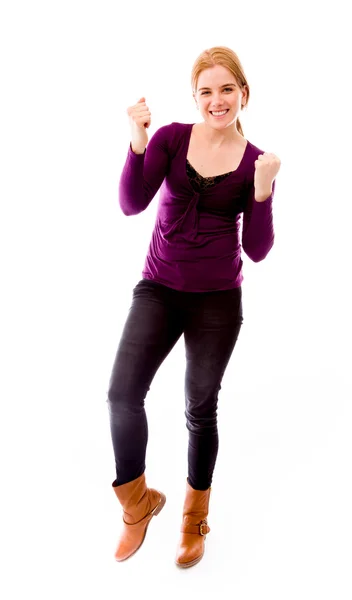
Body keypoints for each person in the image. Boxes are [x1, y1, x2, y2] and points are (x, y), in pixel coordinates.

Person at [107, 45, 281, 568]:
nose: (217, 100)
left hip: (216, 302)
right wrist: (137, 143)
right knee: (121, 395)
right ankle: (136, 502)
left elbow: (256, 249)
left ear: (243, 94)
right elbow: (131, 203)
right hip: (158, 288)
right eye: (206, 91)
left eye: (227, 89)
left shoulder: (256, 161)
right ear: (195, 97)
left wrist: (264, 190)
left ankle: (193, 517)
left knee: (199, 408)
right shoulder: (172, 138)